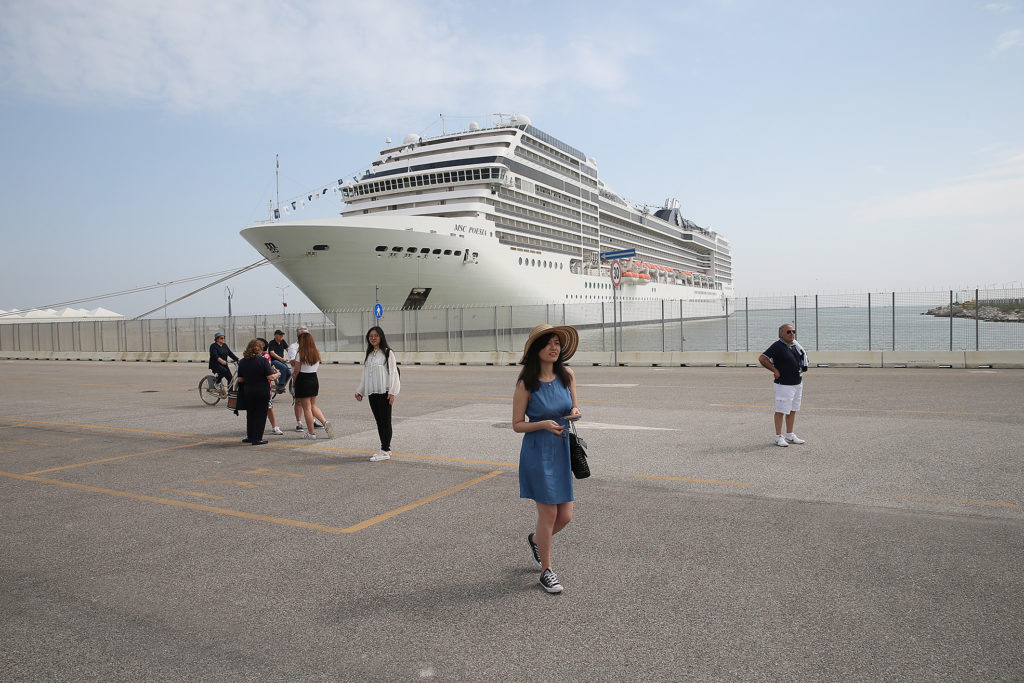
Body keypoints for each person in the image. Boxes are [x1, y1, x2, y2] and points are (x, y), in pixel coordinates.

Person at [512, 323, 581, 594]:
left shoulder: (568, 375)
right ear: (536, 350)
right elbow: (517, 424)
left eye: (557, 343)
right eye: (548, 343)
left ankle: (535, 540)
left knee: (565, 517)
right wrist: (542, 424)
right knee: (549, 512)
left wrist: (575, 411)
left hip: (562, 449)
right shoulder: (525, 384)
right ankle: (546, 571)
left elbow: (574, 406)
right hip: (538, 451)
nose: (554, 347)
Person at [354, 326, 401, 462]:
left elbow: (393, 373)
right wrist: (360, 391)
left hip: (384, 392)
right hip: (372, 393)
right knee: (379, 421)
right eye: (370, 336)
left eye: (376, 336)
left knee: (386, 421)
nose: (373, 338)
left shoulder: (387, 353)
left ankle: (385, 449)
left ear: (381, 337)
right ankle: (386, 448)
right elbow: (365, 375)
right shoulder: (369, 354)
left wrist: (392, 392)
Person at [758, 323, 807, 447]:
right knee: (781, 410)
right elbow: (762, 358)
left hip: (797, 382)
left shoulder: (794, 346)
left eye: (793, 331)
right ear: (781, 334)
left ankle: (790, 434)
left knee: (792, 409)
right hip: (784, 384)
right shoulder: (777, 346)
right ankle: (778, 437)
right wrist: (774, 370)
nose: (792, 334)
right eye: (788, 332)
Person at [290, 331, 333, 440]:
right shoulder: (316, 352)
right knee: (313, 406)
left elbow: (296, 371)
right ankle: (325, 422)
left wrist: (293, 383)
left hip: (303, 380)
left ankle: (311, 433)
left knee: (307, 409)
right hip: (314, 379)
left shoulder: (300, 353)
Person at [236, 338, 279, 445]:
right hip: (261, 391)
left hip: (248, 391)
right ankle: (257, 438)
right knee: (260, 414)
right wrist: (278, 374)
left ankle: (250, 436)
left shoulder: (243, 362)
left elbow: (240, 379)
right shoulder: (263, 361)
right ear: (259, 349)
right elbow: (270, 377)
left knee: (250, 414)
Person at [287, 326, 322, 432]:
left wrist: (295, 380)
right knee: (302, 403)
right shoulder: (295, 347)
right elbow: (293, 362)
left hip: (302, 378)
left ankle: (311, 430)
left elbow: (296, 368)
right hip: (313, 378)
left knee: (307, 407)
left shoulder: (302, 352)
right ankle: (300, 422)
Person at [256, 338, 284, 436]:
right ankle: (269, 427)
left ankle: (273, 427)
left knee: (267, 407)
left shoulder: (264, 356)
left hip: (261, 386)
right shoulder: (259, 356)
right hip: (260, 387)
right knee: (263, 408)